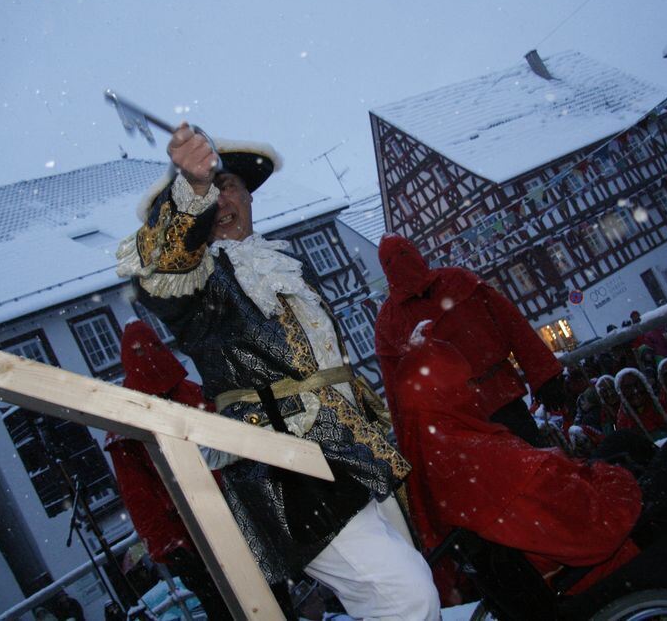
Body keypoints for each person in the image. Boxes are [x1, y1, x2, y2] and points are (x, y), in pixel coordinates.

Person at [116, 124, 438, 619]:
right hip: (288, 470)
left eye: (229, 186)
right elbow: (160, 274)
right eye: (209, 191)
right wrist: (193, 192)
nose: (221, 200)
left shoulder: (281, 263)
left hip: (354, 449)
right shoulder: (198, 286)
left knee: (400, 587)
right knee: (405, 593)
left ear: (248, 197)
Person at [390, 331, 667, 620]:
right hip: (598, 569)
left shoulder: (440, 450)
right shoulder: (483, 459)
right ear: (447, 393)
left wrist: (595, 469)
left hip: (553, 568)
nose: (473, 392)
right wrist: (611, 478)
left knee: (627, 443)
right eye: (463, 384)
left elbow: (543, 493)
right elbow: (592, 526)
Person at [374, 234, 566, 449]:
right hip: (474, 414)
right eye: (393, 260)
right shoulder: (457, 282)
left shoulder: (391, 320)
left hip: (472, 416)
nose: (402, 265)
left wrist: (545, 375)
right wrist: (544, 374)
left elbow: (513, 327)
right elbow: (514, 327)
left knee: (527, 470)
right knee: (532, 469)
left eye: (403, 254)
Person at [105, 321, 231, 620]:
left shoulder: (189, 396)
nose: (148, 357)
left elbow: (138, 497)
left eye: (153, 349)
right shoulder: (130, 424)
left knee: (233, 605)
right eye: (140, 352)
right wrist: (169, 546)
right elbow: (139, 497)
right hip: (195, 534)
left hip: (213, 525)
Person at [615, 367, 667, 441]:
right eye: (628, 388)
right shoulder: (623, 422)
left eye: (637, 385)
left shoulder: (662, 405)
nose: (635, 391)